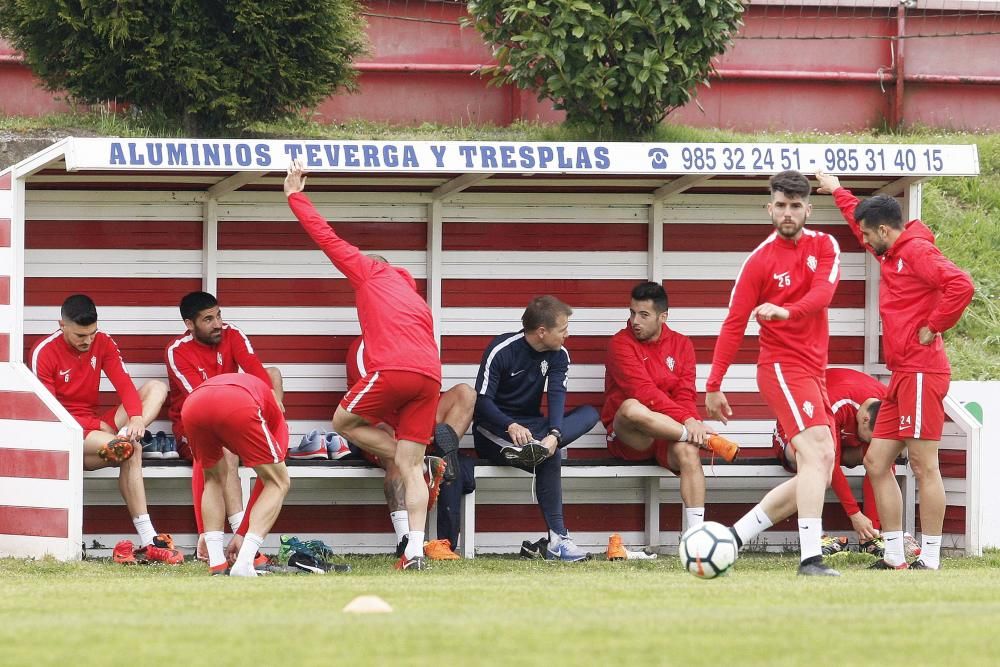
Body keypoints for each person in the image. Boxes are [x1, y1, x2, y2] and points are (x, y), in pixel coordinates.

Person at [285, 159, 441, 571]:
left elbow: (327, 238)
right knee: (409, 467)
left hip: (395, 369)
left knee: (342, 422)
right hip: (430, 376)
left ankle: (414, 463)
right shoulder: (414, 295)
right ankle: (414, 552)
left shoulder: (370, 271)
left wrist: (294, 196)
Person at [817, 171, 975, 570]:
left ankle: (932, 559)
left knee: (924, 466)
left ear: (885, 230)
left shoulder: (917, 252)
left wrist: (934, 324)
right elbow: (859, 219)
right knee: (875, 462)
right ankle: (892, 556)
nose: (864, 241)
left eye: (869, 236)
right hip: (902, 375)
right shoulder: (891, 251)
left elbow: (961, 285)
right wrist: (837, 189)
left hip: (923, 372)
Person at [705, 170, 842, 576]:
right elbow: (734, 323)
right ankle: (810, 558)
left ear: (807, 209)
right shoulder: (759, 261)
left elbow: (824, 294)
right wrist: (713, 384)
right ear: (769, 208)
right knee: (816, 454)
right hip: (781, 367)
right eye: (780, 205)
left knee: (822, 464)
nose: (787, 213)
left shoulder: (826, 245)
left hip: (814, 369)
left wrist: (788, 309)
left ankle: (734, 536)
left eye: (795, 206)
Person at [30, 294, 179, 564]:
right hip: (69, 432)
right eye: (80, 335)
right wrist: (95, 427)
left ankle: (122, 442)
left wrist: (135, 418)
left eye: (92, 333)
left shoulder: (103, 341)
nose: (88, 340)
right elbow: (51, 416)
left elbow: (124, 383)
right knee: (131, 450)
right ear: (61, 325)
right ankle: (149, 537)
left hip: (99, 427)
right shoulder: (44, 351)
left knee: (156, 388)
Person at [603, 281, 740, 533]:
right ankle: (701, 438)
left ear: (663, 316)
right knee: (632, 406)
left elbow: (685, 393)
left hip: (669, 432)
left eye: (644, 315)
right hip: (633, 436)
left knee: (689, 454)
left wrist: (689, 417)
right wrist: (690, 423)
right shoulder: (619, 344)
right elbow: (644, 392)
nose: (635, 320)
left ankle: (696, 537)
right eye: (632, 312)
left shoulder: (682, 344)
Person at [473, 295, 601, 562]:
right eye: (563, 329)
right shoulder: (502, 348)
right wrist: (509, 425)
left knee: (589, 414)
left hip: (535, 428)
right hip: (495, 429)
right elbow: (482, 402)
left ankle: (535, 450)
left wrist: (554, 434)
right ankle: (558, 540)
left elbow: (556, 394)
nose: (568, 334)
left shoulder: (559, 355)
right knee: (550, 456)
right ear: (542, 332)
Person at [164, 291, 284, 561]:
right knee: (225, 452)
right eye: (208, 319)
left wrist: (267, 405)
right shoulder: (176, 351)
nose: (218, 323)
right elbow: (202, 398)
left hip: (236, 418)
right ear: (189, 324)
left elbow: (255, 369)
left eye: (218, 315)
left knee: (273, 376)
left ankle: (233, 541)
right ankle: (238, 537)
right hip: (196, 427)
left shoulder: (233, 334)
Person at [346, 335, 476, 560]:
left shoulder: (418, 341)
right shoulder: (363, 348)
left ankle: (440, 454)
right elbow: (366, 401)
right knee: (398, 453)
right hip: (379, 422)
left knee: (466, 393)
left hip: (417, 421)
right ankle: (404, 539)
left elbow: (430, 388)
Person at [181, 373, 290, 576]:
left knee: (213, 478)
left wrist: (205, 530)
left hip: (194, 402)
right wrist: (243, 535)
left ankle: (217, 564)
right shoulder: (278, 421)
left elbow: (204, 478)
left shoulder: (256, 392)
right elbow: (267, 484)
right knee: (279, 481)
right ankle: (245, 563)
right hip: (238, 402)